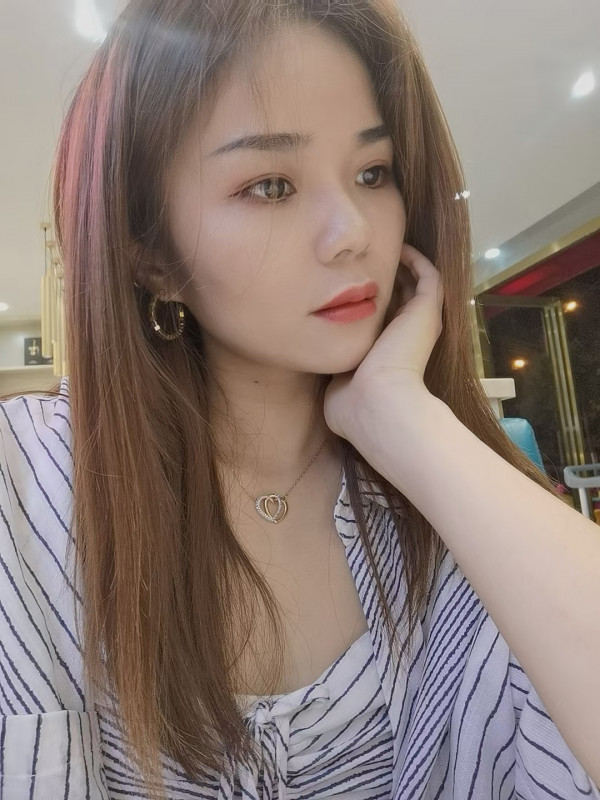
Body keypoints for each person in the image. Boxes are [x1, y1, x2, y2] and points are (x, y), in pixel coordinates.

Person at [1, 1, 599, 798]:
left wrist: (407, 421)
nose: (352, 231)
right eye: (270, 185)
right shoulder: (26, 480)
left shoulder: (443, 495)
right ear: (151, 256)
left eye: (373, 172)